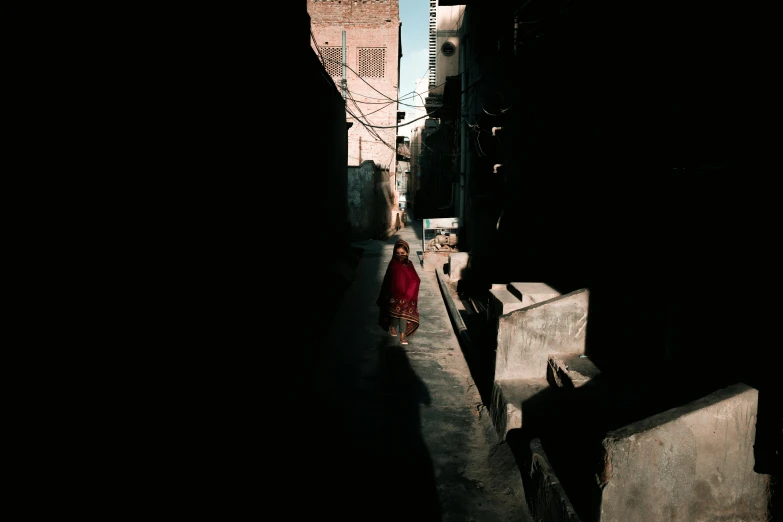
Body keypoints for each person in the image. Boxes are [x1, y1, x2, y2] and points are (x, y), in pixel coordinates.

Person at [377, 239, 420, 345]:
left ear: (407, 253)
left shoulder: (409, 264)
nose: (400, 255)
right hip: (395, 296)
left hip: (408, 295)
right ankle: (392, 326)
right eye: (397, 253)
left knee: (404, 316)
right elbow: (389, 280)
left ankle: (402, 336)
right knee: (396, 316)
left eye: (403, 253)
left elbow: (415, 279)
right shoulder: (393, 264)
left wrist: (411, 289)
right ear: (394, 253)